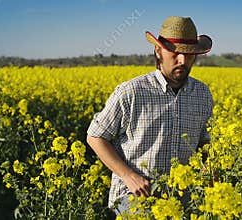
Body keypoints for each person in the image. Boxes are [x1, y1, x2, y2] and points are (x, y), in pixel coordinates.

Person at [86, 16, 213, 214]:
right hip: (135, 197)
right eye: (175, 53)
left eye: (189, 55)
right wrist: (128, 175)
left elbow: (205, 142)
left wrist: (210, 172)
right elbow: (95, 136)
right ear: (158, 51)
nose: (182, 60)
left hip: (183, 197)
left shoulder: (202, 94)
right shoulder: (131, 92)